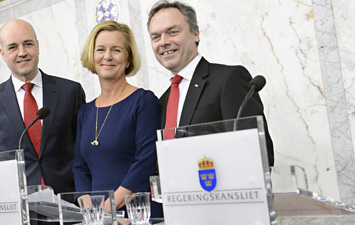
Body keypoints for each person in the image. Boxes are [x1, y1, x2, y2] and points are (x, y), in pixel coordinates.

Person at [147, 0, 274, 166]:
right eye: (156, 37)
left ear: (196, 34)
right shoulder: (162, 101)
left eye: (172, 32)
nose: (163, 42)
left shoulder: (230, 79)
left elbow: (257, 153)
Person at [0, 19, 86, 196]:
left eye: (28, 44)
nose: (22, 52)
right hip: (19, 212)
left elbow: (84, 154)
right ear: (2, 54)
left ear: (38, 46)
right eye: (12, 47)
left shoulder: (70, 92)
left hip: (70, 204)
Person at [73, 20, 163, 217]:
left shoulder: (143, 101)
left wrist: (106, 210)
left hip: (136, 214)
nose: (107, 56)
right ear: (92, 55)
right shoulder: (85, 112)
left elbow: (146, 162)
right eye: (100, 49)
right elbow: (79, 167)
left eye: (116, 50)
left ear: (128, 59)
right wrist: (91, 212)